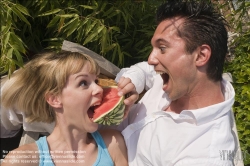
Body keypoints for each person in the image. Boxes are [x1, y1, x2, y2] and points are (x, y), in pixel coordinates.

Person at [115, 0, 236, 165]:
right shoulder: (177, 79)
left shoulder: (205, 156)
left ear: (201, 56)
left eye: (162, 48)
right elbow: (145, 70)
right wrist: (134, 80)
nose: (150, 59)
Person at [1, 51, 128, 166]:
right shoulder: (21, 161)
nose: (99, 89)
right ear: (54, 99)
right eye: (83, 83)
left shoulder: (112, 143)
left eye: (96, 81)